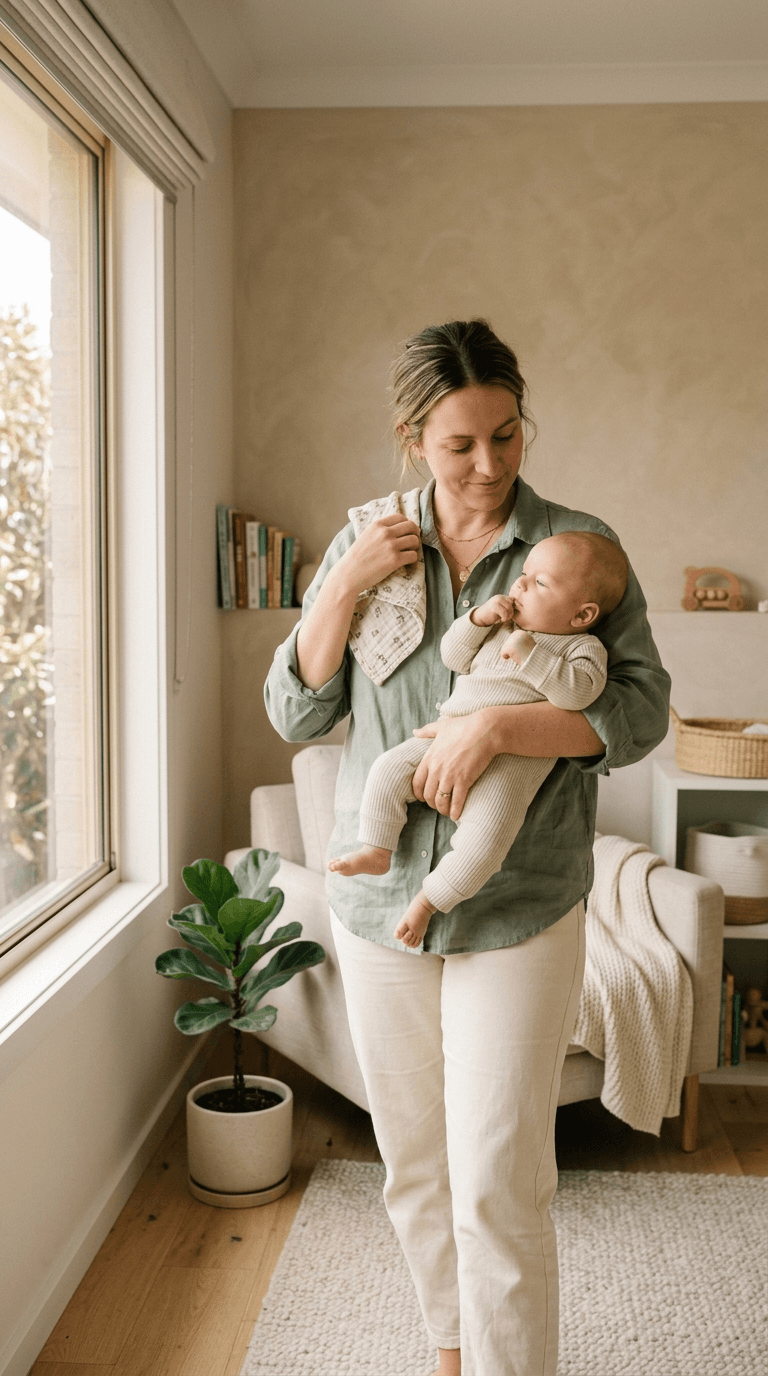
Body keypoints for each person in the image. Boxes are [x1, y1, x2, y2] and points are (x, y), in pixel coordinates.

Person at [264, 319, 670, 1376]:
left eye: (506, 433)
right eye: (460, 443)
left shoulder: (574, 549)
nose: (489, 464)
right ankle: (450, 1350)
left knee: (499, 1171)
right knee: (415, 1163)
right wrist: (343, 584)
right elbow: (297, 712)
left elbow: (640, 712)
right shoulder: (366, 543)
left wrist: (498, 726)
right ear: (411, 437)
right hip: (383, 902)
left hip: (521, 896)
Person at [328, 529, 627, 948]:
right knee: (387, 768)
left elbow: (579, 693)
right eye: (524, 574)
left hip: (511, 769)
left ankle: (429, 902)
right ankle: (377, 848)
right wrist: (476, 620)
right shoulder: (499, 627)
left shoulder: (582, 648)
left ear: (581, 615)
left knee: (485, 843)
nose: (520, 584)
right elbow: (453, 656)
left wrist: (531, 654)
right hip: (444, 736)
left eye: (540, 583)